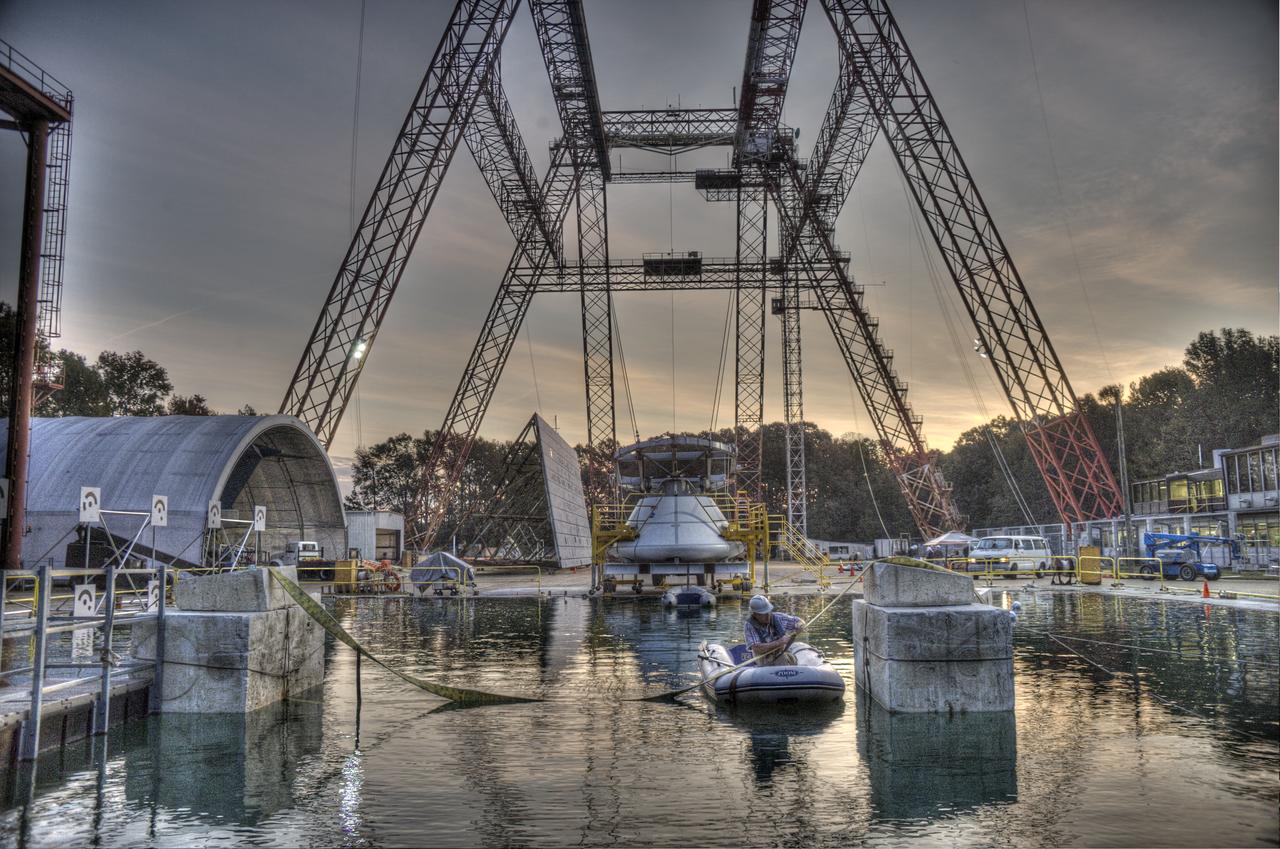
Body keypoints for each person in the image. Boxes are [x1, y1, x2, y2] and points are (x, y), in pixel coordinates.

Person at [743, 595, 805, 666]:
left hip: (781, 653)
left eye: (768, 612)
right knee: (780, 660)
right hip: (763, 658)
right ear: (755, 614)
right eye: (763, 614)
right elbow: (757, 648)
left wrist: (800, 625)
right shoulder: (749, 625)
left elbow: (799, 621)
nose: (767, 616)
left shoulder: (778, 617)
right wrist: (779, 642)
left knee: (785, 658)